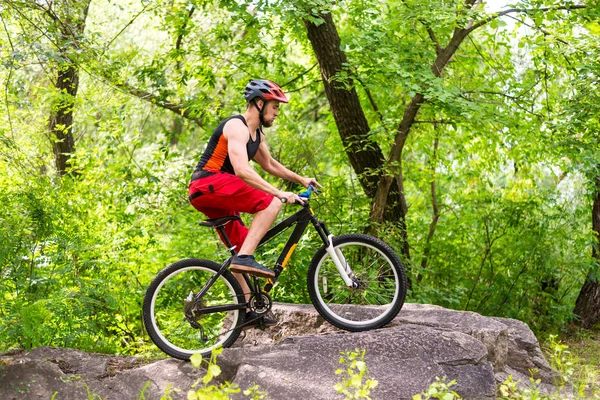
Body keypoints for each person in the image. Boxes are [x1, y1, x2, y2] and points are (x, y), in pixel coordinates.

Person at [188, 79, 320, 326]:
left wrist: (301, 179)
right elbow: (241, 170)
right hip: (207, 184)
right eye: (275, 107)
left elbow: (270, 165)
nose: (277, 113)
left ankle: (248, 310)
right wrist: (279, 193)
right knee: (270, 203)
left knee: (240, 250)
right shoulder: (236, 127)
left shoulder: (256, 134)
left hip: (216, 193)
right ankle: (244, 257)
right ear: (259, 103)